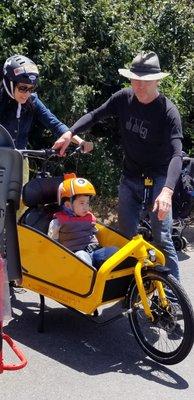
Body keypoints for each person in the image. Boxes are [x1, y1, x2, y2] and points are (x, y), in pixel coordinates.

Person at [53, 51, 183, 281]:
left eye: (145, 81)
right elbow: (95, 115)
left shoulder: (168, 112)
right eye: (135, 79)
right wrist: (70, 132)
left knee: (162, 238)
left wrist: (168, 190)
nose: (139, 86)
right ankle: (131, 288)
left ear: (158, 80)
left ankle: (173, 301)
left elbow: (176, 154)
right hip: (131, 177)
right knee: (125, 238)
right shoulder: (124, 98)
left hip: (160, 179)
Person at [0, 54, 93, 217]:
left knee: (19, 206)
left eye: (31, 89)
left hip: (20, 161)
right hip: (1, 161)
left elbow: (55, 123)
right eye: (22, 88)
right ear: (9, 82)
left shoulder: (32, 101)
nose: (26, 93)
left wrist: (78, 140)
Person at [48, 174, 118, 268]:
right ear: (68, 205)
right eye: (82, 203)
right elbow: (52, 244)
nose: (86, 207)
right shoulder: (58, 222)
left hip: (94, 252)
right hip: (75, 256)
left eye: (87, 203)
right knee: (82, 256)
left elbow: (93, 233)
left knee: (115, 251)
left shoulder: (88, 217)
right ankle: (90, 277)